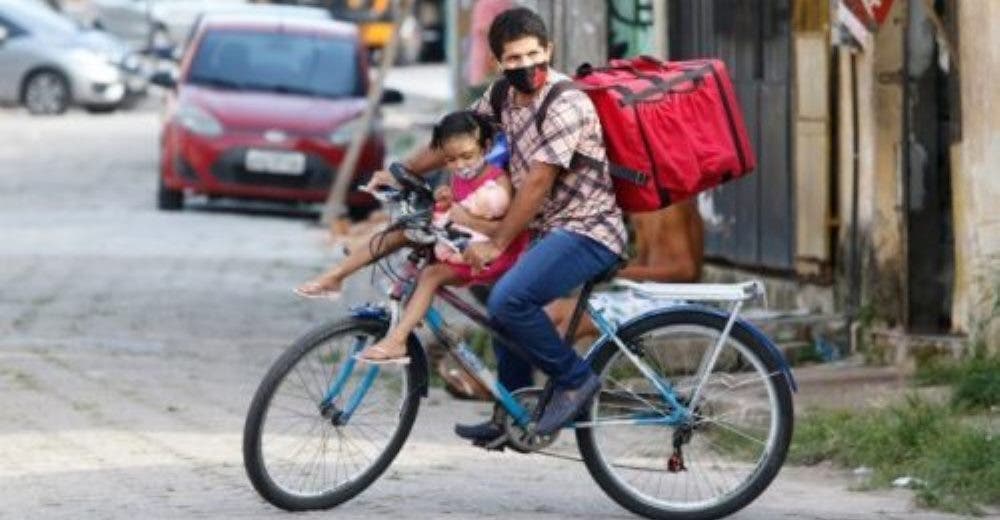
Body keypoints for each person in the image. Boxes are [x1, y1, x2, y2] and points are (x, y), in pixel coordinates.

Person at [367, 7, 627, 439]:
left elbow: (539, 181)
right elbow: (457, 138)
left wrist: (497, 240)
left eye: (533, 54)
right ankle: (513, 412)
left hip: (589, 231)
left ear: (549, 49)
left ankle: (574, 380)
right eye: (513, 59)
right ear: (498, 63)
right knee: (501, 305)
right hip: (544, 231)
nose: (526, 66)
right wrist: (400, 170)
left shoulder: (567, 103)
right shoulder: (503, 95)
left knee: (510, 300)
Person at [297, 111, 529, 364]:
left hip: (488, 255)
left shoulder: (497, 184)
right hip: (457, 242)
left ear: (485, 148)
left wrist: (464, 218)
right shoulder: (460, 175)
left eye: (467, 157)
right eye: (450, 159)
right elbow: (456, 209)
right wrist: (445, 202)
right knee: (401, 232)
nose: (460, 165)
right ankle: (336, 276)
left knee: (431, 275)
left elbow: (505, 231)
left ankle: (398, 340)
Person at [546, 199, 705, 341]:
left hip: (676, 300)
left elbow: (688, 270)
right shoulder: (641, 211)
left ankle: (570, 374)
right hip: (647, 295)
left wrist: (617, 272)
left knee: (575, 322)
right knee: (553, 310)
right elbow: (644, 265)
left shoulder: (671, 205)